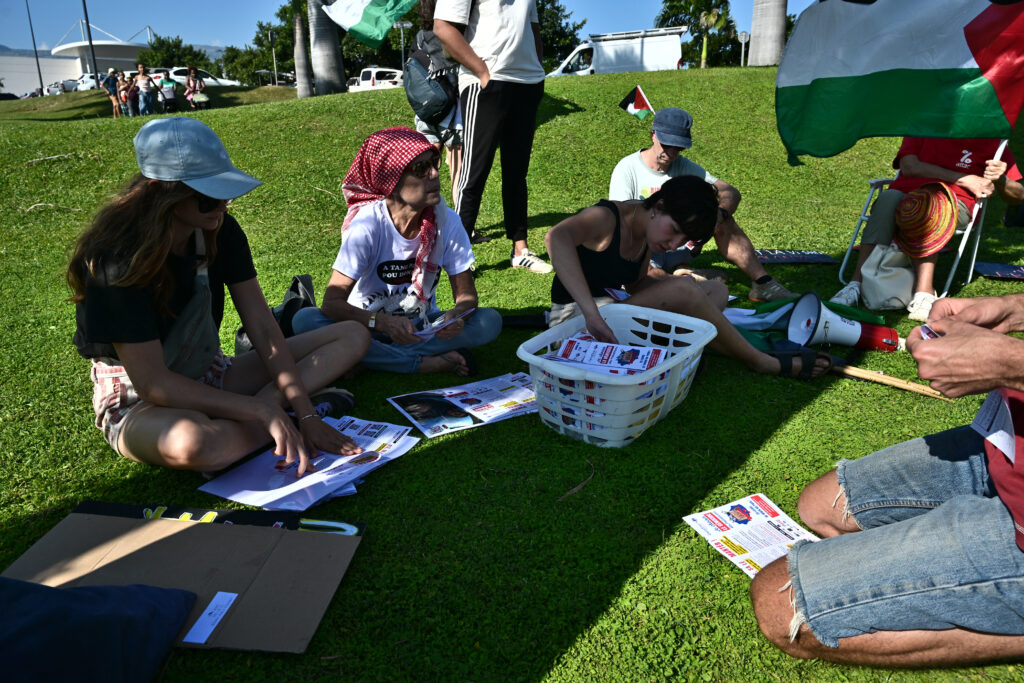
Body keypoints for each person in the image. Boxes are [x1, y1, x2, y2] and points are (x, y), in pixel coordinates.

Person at [67, 117, 369, 476]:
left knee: (351, 335)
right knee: (195, 443)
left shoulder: (219, 229)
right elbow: (153, 383)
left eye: (224, 190)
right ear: (164, 192)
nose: (223, 203)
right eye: (209, 196)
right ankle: (269, 417)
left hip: (210, 373)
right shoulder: (115, 261)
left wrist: (303, 411)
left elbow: (263, 328)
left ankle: (278, 412)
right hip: (141, 400)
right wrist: (259, 410)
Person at [750, 293, 1024, 667]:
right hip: (1004, 441)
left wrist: (1013, 364)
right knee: (819, 507)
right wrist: (1013, 309)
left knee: (781, 606)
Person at [545, 175, 831, 380]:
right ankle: (761, 362)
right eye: (674, 231)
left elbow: (637, 286)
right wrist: (592, 314)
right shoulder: (608, 217)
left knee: (716, 291)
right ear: (658, 208)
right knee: (685, 289)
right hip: (575, 322)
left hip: (610, 316)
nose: (674, 245)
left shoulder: (645, 234)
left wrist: (684, 289)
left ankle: (673, 355)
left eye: (684, 238)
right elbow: (556, 236)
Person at [291, 127, 502, 376]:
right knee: (305, 320)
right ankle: (420, 363)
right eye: (421, 169)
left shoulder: (447, 220)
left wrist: (458, 316)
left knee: (489, 321)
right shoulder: (368, 224)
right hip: (364, 325)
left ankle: (366, 357)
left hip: (421, 327)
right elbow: (331, 304)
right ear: (391, 180)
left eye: (434, 163)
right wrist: (382, 323)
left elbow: (466, 296)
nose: (434, 174)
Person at [609, 108, 796, 302]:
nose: (672, 153)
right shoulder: (627, 169)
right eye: (667, 144)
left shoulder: (683, 166)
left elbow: (730, 192)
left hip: (679, 245)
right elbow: (623, 227)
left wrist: (718, 216)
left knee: (724, 217)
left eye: (679, 147)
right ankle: (687, 279)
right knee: (647, 277)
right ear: (653, 135)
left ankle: (763, 283)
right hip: (646, 251)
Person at [831, 137, 1022, 321]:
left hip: (954, 204)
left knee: (930, 202)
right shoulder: (925, 124)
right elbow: (909, 166)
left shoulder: (991, 140)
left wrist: (1001, 179)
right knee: (887, 199)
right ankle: (856, 284)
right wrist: (964, 179)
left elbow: (1018, 196)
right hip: (905, 196)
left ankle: (924, 293)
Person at [434, 0, 553, 274]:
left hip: (528, 83)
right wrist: (481, 70)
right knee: (475, 172)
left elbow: (532, 27)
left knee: (516, 173)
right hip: (487, 81)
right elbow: (442, 26)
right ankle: (458, 257)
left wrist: (537, 67)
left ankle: (520, 249)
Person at [412, 0, 463, 194]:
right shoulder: (454, 34)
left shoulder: (421, 36)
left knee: (424, 169)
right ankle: (462, 222)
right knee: (457, 169)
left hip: (428, 108)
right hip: (453, 113)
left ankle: (425, 218)